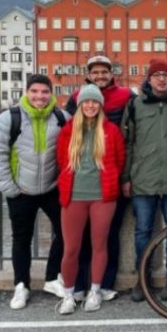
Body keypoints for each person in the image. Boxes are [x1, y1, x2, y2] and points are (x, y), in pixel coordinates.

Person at [0, 74, 69, 309]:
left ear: (51, 93)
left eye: (44, 92)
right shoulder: (8, 119)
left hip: (51, 188)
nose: (39, 96)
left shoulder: (62, 118)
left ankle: (52, 278)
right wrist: (9, 188)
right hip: (21, 190)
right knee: (21, 238)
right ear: (27, 92)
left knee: (65, 232)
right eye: (34, 92)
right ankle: (21, 285)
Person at [65, 55, 132, 302]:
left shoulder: (125, 96)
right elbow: (67, 136)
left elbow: (131, 133)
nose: (101, 75)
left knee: (109, 235)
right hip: (82, 183)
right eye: (96, 72)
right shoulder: (76, 98)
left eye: (105, 71)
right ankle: (80, 284)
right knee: (80, 238)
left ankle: (104, 283)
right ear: (89, 75)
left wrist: (123, 176)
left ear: (111, 73)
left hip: (110, 178)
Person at [120, 59, 167, 302]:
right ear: (148, 79)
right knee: (142, 232)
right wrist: (126, 177)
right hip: (143, 178)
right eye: (156, 75)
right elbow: (127, 144)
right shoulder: (135, 105)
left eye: (165, 75)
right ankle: (143, 279)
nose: (161, 79)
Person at [55, 84, 125, 314]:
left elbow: (119, 160)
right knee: (71, 248)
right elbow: (61, 161)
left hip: (102, 197)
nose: (91, 105)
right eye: (86, 101)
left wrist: (111, 181)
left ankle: (95, 291)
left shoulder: (111, 131)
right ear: (80, 104)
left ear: (100, 105)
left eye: (95, 101)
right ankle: (69, 293)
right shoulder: (68, 131)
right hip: (74, 196)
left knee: (99, 245)